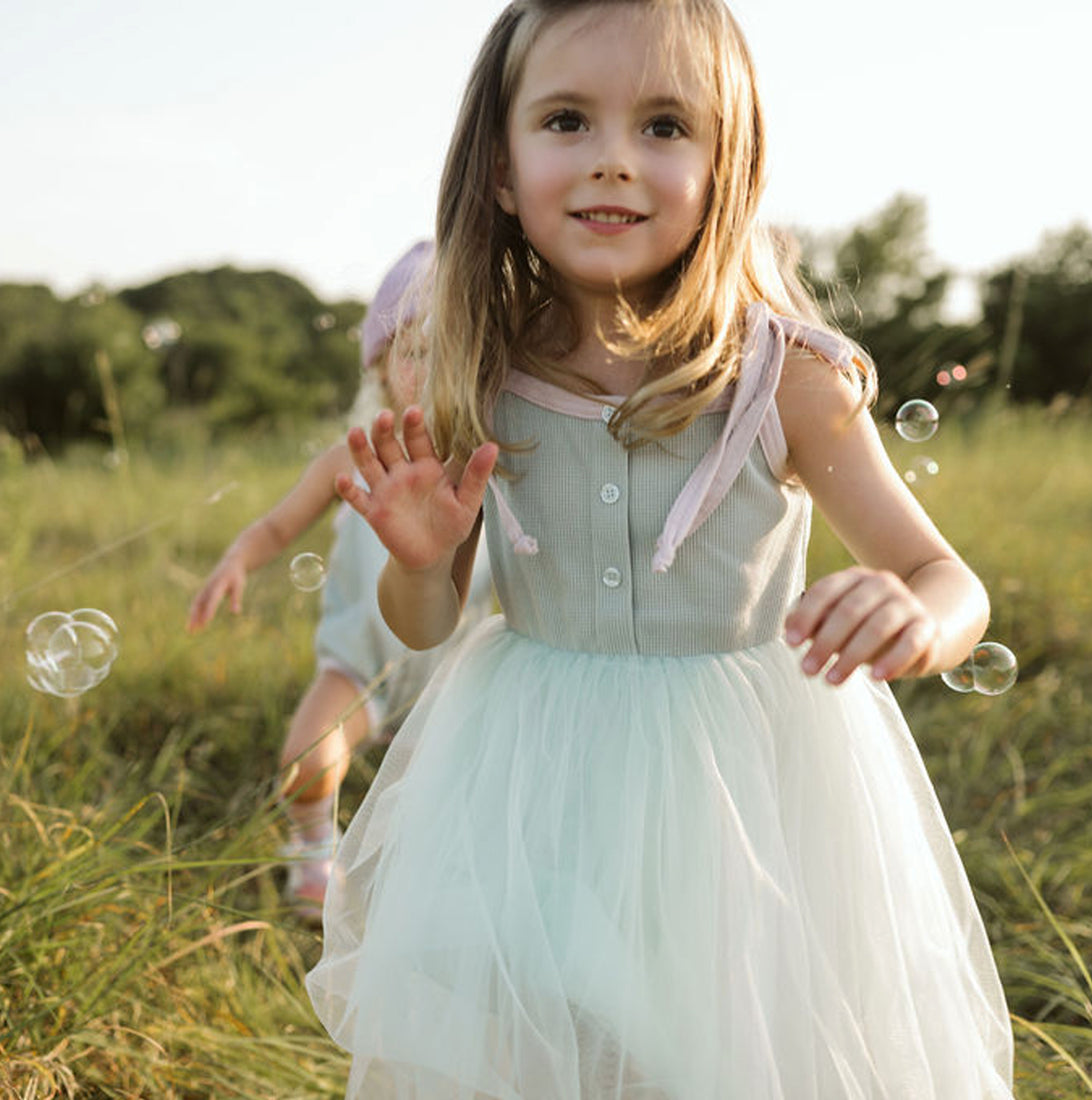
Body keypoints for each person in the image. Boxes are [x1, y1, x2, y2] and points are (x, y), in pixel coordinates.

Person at [306, 2, 1014, 1095]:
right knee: (529, 1037)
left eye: (665, 127)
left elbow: (945, 577)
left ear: (728, 162)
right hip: (527, 773)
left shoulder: (788, 379)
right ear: (498, 166)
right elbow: (425, 624)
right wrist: (415, 559)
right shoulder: (474, 375)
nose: (614, 163)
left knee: (713, 1039)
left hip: (739, 789)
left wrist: (918, 617)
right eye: (566, 120)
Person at [188, 241, 488, 921]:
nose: (433, 367)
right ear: (378, 368)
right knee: (307, 758)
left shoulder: (487, 468)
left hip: (460, 673)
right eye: (414, 351)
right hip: (361, 659)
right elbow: (274, 528)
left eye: (456, 350)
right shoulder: (346, 460)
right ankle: (314, 846)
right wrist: (238, 559)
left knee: (463, 794)